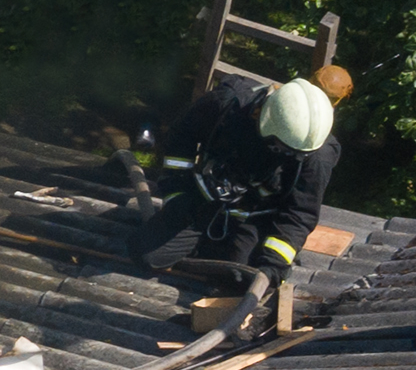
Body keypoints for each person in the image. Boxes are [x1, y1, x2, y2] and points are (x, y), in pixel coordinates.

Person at [127, 69, 343, 280]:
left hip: (256, 216)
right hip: (202, 200)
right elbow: (181, 138)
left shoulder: (317, 155)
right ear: (263, 118)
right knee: (148, 255)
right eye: (281, 148)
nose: (287, 155)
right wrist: (177, 196)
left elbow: (300, 212)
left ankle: (224, 251)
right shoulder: (228, 104)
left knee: (240, 277)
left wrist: (274, 262)